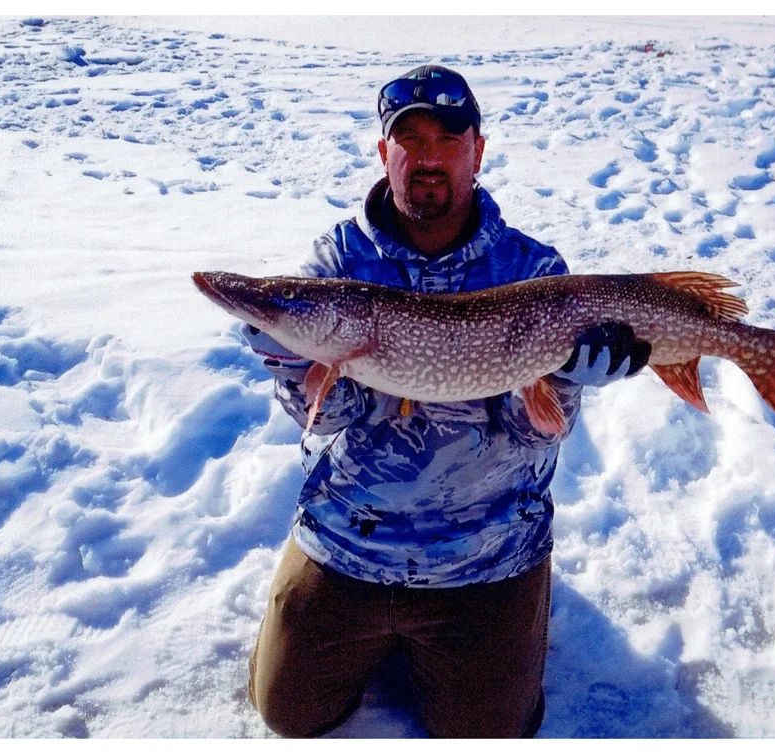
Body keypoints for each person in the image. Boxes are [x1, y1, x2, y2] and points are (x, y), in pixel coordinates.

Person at [242, 65, 651, 738]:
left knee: (486, 736)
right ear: (385, 154)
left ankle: (520, 606)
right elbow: (328, 417)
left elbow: (538, 431)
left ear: (477, 151)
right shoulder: (337, 262)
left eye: (448, 138)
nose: (428, 156)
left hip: (487, 548)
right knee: (287, 713)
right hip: (352, 539)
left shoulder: (532, 270)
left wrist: (571, 377)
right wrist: (294, 355)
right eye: (411, 139)